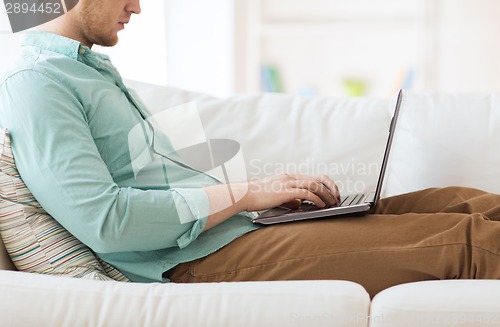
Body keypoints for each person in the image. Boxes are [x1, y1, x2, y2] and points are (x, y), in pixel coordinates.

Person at [1, 0, 500, 298]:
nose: (137, 6)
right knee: (468, 242)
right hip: (195, 259)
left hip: (230, 232)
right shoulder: (37, 82)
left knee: (460, 202)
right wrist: (245, 194)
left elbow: (163, 184)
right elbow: (106, 221)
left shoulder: (85, 69)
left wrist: (264, 197)